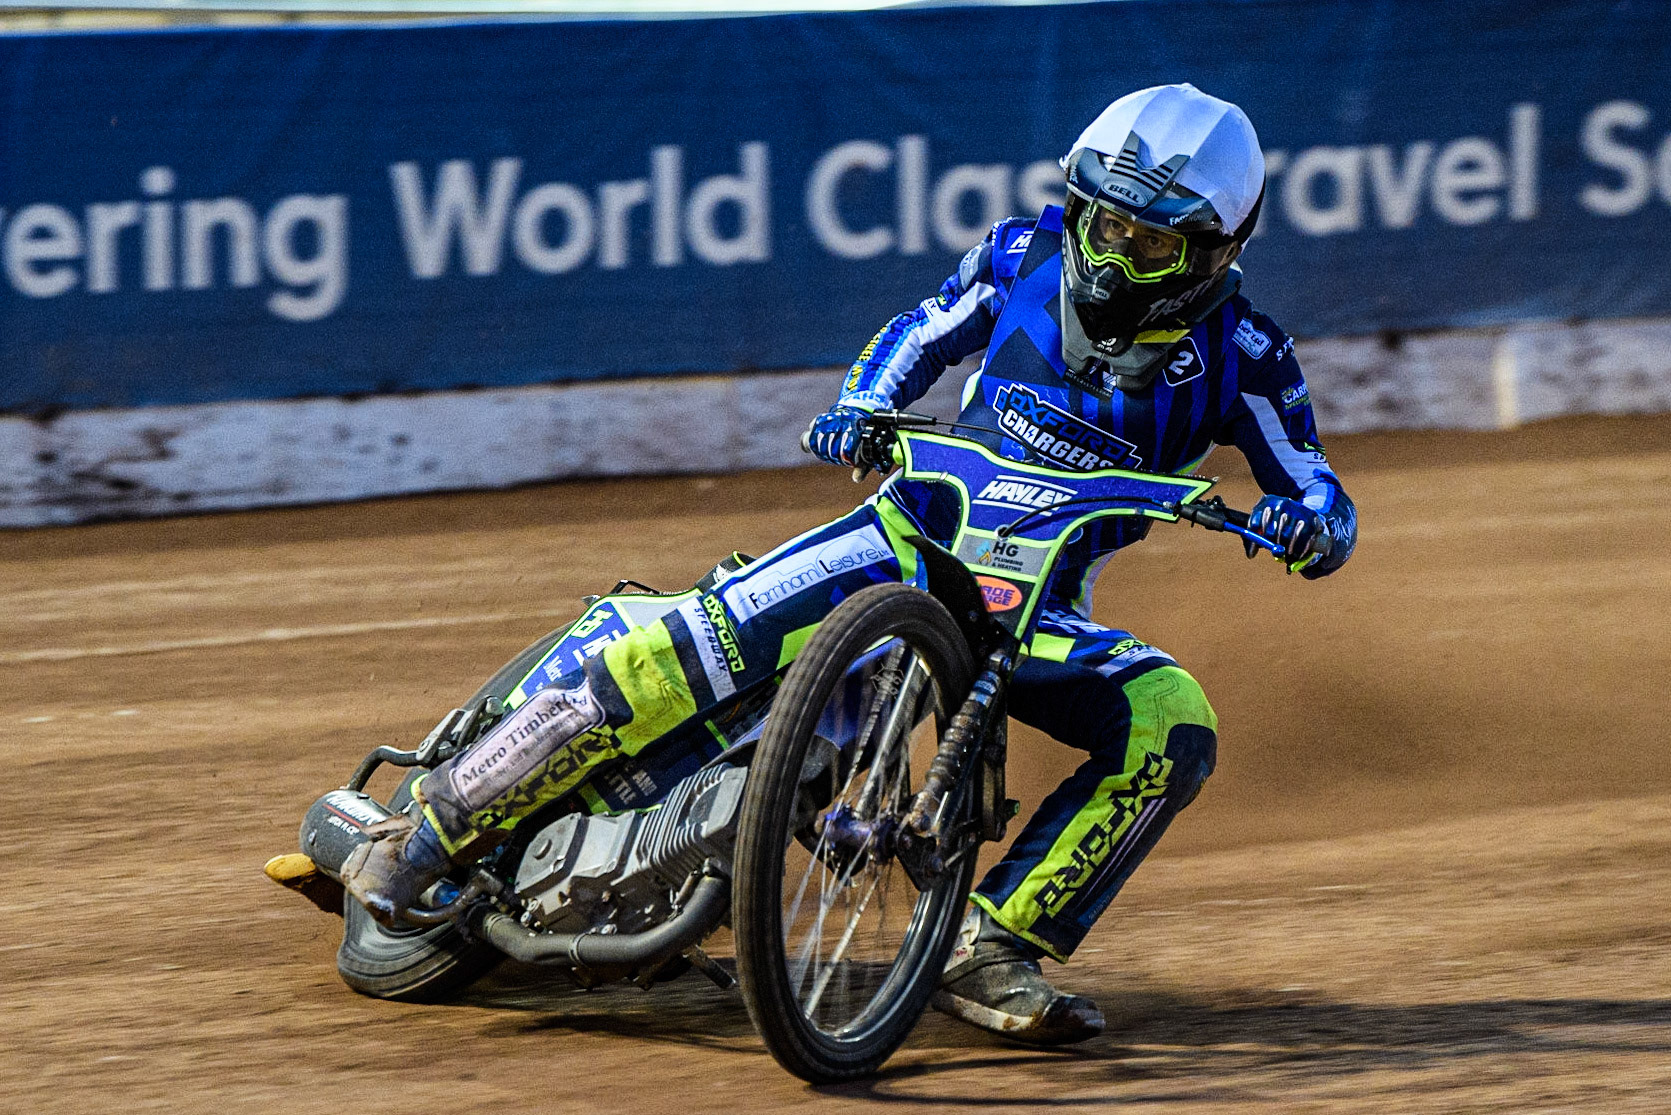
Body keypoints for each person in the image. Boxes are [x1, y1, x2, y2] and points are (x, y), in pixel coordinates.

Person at [342, 83, 1357, 1047]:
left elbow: (1317, 487)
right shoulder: (1022, 254)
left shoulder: (1249, 354)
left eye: (1149, 242)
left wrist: (1309, 526)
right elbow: (920, 331)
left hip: (1036, 607)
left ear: (1215, 250)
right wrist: (863, 405)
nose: (1113, 256)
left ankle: (991, 944)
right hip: (899, 534)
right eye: (1102, 223)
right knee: (685, 643)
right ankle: (426, 833)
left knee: (1172, 720)